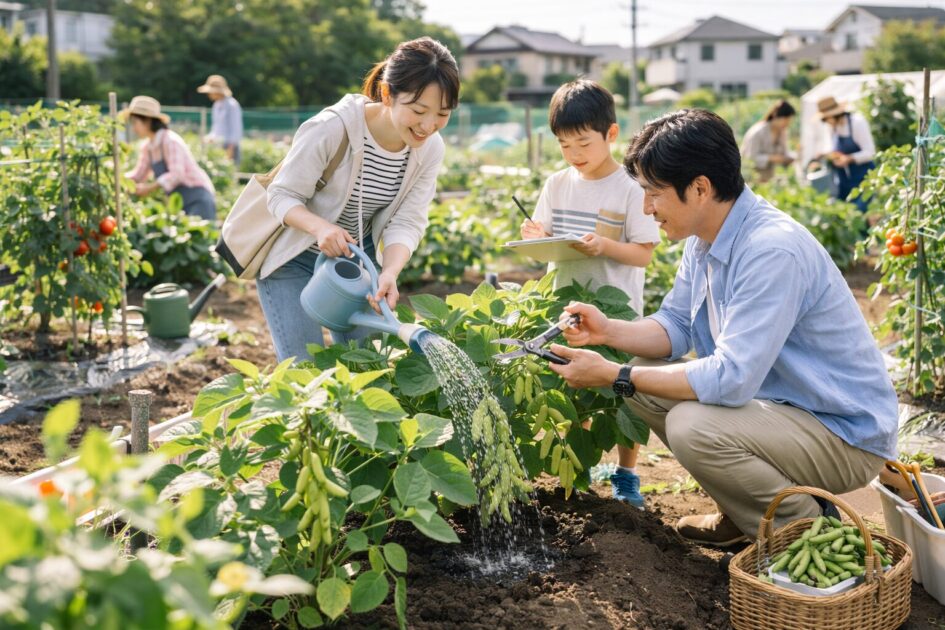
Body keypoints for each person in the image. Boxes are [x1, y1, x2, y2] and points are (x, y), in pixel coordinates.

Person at [546, 108, 897, 545]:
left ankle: (803, 529)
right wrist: (607, 331)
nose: (646, 207)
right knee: (644, 377)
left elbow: (731, 378)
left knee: (692, 424)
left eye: (654, 193)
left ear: (700, 188)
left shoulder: (771, 250)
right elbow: (675, 326)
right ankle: (743, 510)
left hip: (841, 432)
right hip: (781, 410)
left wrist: (613, 374)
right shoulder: (705, 238)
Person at [258, 37, 459, 363]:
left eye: (442, 114)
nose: (428, 125)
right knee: (302, 370)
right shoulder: (332, 128)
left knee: (366, 366)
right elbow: (281, 195)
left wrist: (390, 271)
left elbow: (408, 220)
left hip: (355, 263)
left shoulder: (429, 149)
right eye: (418, 110)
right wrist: (320, 228)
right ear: (387, 94)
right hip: (291, 258)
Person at [519, 79, 661, 510]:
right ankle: (576, 470)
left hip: (616, 310)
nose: (574, 155)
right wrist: (534, 236)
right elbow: (542, 239)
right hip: (564, 303)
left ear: (611, 134)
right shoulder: (558, 184)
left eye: (583, 142)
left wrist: (603, 246)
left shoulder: (631, 187)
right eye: (564, 145)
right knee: (572, 387)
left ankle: (627, 474)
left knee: (622, 395)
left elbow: (643, 255)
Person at [123, 95, 217, 221]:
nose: (133, 128)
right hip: (179, 202)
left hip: (197, 198)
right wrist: (119, 180)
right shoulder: (148, 147)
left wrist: (149, 188)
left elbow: (177, 174)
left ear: (148, 121)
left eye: (135, 123)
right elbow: (139, 174)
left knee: (201, 237)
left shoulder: (170, 141)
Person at [815, 96, 876, 212]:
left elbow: (870, 152)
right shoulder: (833, 127)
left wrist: (849, 159)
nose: (825, 122)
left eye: (825, 119)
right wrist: (824, 155)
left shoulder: (857, 123)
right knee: (844, 214)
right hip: (844, 181)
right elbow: (832, 148)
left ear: (834, 115)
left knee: (859, 212)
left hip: (864, 180)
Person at [740, 99, 795, 182]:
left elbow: (785, 153)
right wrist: (771, 158)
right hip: (751, 177)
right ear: (775, 116)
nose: (787, 124)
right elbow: (750, 158)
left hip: (769, 178)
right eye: (785, 121)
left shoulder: (783, 133)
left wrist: (791, 158)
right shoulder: (758, 132)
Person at [198, 74, 244, 166]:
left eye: (211, 91)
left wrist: (230, 151)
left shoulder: (232, 105)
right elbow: (216, 129)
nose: (209, 94)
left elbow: (236, 129)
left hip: (230, 148)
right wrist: (209, 138)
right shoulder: (216, 105)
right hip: (218, 146)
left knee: (230, 175)